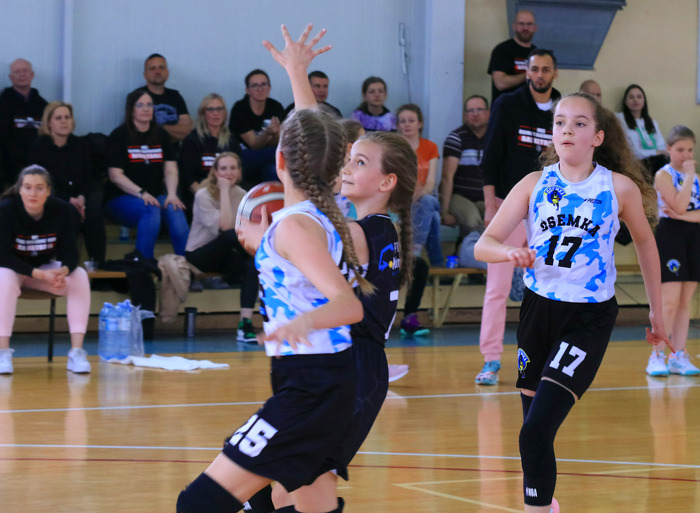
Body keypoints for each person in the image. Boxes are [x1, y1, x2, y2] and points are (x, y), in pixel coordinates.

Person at [176, 25, 369, 513]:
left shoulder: (295, 226)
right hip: (323, 378)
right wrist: (296, 72)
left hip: (311, 384)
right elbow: (314, 135)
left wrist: (302, 322)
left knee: (199, 504)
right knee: (303, 504)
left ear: (279, 160)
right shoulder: (323, 208)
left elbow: (348, 305)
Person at [474, 92, 670, 513]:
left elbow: (645, 245)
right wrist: (509, 252)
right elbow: (483, 245)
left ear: (597, 136)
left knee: (535, 432)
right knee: (532, 432)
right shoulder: (533, 184)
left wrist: (657, 310)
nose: (567, 129)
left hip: (588, 316)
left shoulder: (617, 188)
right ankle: (544, 504)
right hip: (537, 310)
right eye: (560, 121)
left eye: (579, 123)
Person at [258, 24, 416, 513]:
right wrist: (297, 74)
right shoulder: (365, 227)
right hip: (344, 363)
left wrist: (267, 238)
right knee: (281, 480)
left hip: (356, 368)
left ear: (386, 182)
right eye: (346, 158)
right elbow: (316, 158)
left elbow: (310, 172)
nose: (345, 166)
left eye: (359, 162)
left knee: (298, 483)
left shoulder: (367, 232)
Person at [477, 48, 561, 386]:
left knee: (552, 286)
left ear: (555, 73)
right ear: (527, 72)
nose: (540, 75)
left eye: (546, 69)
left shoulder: (563, 108)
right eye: (534, 69)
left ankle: (550, 358)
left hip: (551, 209)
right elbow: (490, 157)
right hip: (507, 206)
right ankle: (491, 359)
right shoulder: (507, 105)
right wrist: (490, 205)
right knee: (497, 289)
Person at [0, 166, 92, 375]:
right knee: (3, 277)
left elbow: (71, 252)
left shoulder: (63, 211)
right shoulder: (5, 211)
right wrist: (39, 274)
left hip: (42, 270)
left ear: (49, 191)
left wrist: (63, 272)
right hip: (13, 270)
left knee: (79, 275)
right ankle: (2, 352)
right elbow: (3, 257)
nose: (33, 193)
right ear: (20, 189)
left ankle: (76, 352)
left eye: (39, 188)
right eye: (28, 187)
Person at [104, 90, 189, 259]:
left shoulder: (161, 134)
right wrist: (141, 193)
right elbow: (115, 175)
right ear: (131, 110)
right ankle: (144, 263)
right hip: (120, 199)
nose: (146, 109)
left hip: (154, 196)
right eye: (140, 105)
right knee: (150, 208)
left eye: (149, 104)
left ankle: (187, 263)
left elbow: (170, 169)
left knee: (174, 206)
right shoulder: (119, 135)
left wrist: (172, 194)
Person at [184, 152, 259, 343]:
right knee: (230, 234)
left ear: (239, 172)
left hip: (227, 255)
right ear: (215, 173)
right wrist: (224, 191)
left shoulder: (243, 195)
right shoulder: (203, 195)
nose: (228, 173)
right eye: (223, 169)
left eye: (233, 168)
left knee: (253, 265)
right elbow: (225, 227)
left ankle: (245, 324)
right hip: (200, 254)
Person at [646, 125, 700, 376]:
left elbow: (684, 212)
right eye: (680, 150)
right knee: (668, 301)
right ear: (668, 149)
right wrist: (688, 176)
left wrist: (684, 216)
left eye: (690, 150)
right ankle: (656, 355)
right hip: (670, 236)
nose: (686, 155)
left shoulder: (696, 178)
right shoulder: (663, 175)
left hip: (693, 236)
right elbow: (678, 205)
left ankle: (678, 355)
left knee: (685, 301)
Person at [29, 101, 106, 266]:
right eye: (58, 118)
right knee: (68, 211)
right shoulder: (39, 147)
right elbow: (40, 183)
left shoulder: (81, 145)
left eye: (67, 117)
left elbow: (88, 178)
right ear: (49, 122)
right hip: (49, 198)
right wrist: (70, 200)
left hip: (78, 198)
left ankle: (98, 267)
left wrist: (81, 197)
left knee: (94, 214)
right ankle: (67, 265)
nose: (64, 121)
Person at [178, 93, 242, 213]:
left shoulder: (232, 141)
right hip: (200, 196)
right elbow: (187, 178)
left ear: (224, 113)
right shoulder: (192, 141)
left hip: (228, 195)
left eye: (219, 109)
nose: (215, 113)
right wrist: (208, 198)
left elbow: (238, 175)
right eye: (211, 109)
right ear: (203, 114)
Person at [440, 94, 491, 238]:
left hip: (487, 199)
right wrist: (444, 212)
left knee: (498, 221)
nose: (475, 114)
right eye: (470, 110)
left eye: (479, 109)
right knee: (472, 222)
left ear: (488, 113)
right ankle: (474, 252)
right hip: (459, 197)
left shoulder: (496, 138)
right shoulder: (456, 137)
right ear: (465, 115)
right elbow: (447, 177)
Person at [229, 69, 286, 186]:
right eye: (255, 85)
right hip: (243, 156)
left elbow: (279, 141)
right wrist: (268, 133)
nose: (260, 89)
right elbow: (253, 145)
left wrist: (276, 134)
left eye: (263, 84)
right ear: (247, 90)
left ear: (269, 88)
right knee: (278, 152)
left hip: (267, 158)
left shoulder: (276, 106)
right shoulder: (240, 108)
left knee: (272, 170)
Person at [0, 59, 48, 187]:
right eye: (17, 71)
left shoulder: (43, 105)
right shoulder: (3, 103)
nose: (22, 74)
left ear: (32, 74)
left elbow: (48, 135)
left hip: (39, 161)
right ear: (11, 77)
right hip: (10, 163)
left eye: (25, 70)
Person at [131, 53, 192, 142]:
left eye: (161, 68)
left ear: (167, 73)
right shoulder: (136, 96)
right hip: (147, 149)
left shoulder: (175, 96)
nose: (158, 72)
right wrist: (174, 131)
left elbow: (186, 131)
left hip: (172, 150)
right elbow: (137, 131)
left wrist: (156, 127)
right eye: (152, 68)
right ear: (145, 75)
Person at [488, 10, 537, 103]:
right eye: (521, 24)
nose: (525, 28)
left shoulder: (537, 53)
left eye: (529, 24)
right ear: (514, 27)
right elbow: (500, 83)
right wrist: (528, 74)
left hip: (529, 108)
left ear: (535, 28)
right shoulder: (502, 49)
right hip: (504, 109)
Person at [616, 84, 665, 161]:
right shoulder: (620, 119)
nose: (635, 100)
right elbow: (633, 152)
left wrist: (658, 153)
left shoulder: (652, 122)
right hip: (635, 163)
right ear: (625, 101)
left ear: (644, 101)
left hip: (656, 160)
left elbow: (662, 147)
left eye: (639, 97)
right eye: (631, 97)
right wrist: (656, 152)